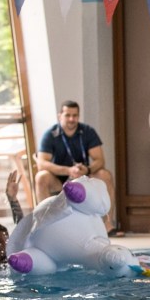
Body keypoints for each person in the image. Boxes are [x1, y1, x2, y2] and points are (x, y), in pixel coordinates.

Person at [36, 100, 122, 236]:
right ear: (60, 116)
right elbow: (42, 163)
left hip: (83, 176)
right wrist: (68, 170)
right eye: (68, 115)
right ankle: (48, 225)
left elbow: (100, 160)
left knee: (105, 175)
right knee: (41, 177)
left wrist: (87, 169)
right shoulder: (50, 134)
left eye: (75, 115)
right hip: (60, 178)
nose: (71, 119)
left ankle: (107, 224)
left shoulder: (87, 131)